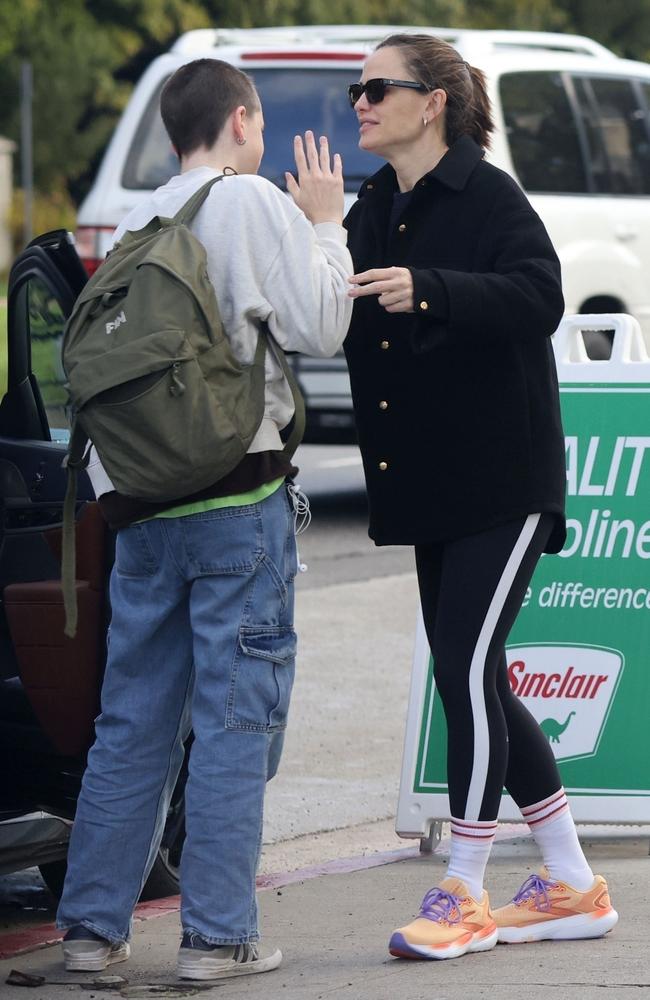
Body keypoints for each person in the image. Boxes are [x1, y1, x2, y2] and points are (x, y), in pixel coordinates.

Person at [57, 58, 352, 982]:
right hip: (235, 499)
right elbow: (321, 324)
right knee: (232, 722)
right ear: (240, 121)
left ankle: (90, 935)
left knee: (132, 721)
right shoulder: (248, 201)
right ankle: (219, 937)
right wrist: (328, 227)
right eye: (259, 125)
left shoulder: (139, 221)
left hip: (140, 510)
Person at [344, 34, 618, 961]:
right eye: (358, 89)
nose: (360, 103)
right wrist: (312, 226)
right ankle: (573, 880)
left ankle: (464, 889)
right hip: (433, 485)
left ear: (433, 104)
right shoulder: (376, 203)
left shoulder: (491, 195)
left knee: (463, 665)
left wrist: (430, 290)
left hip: (504, 480)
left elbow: (540, 296)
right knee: (482, 677)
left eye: (377, 88)